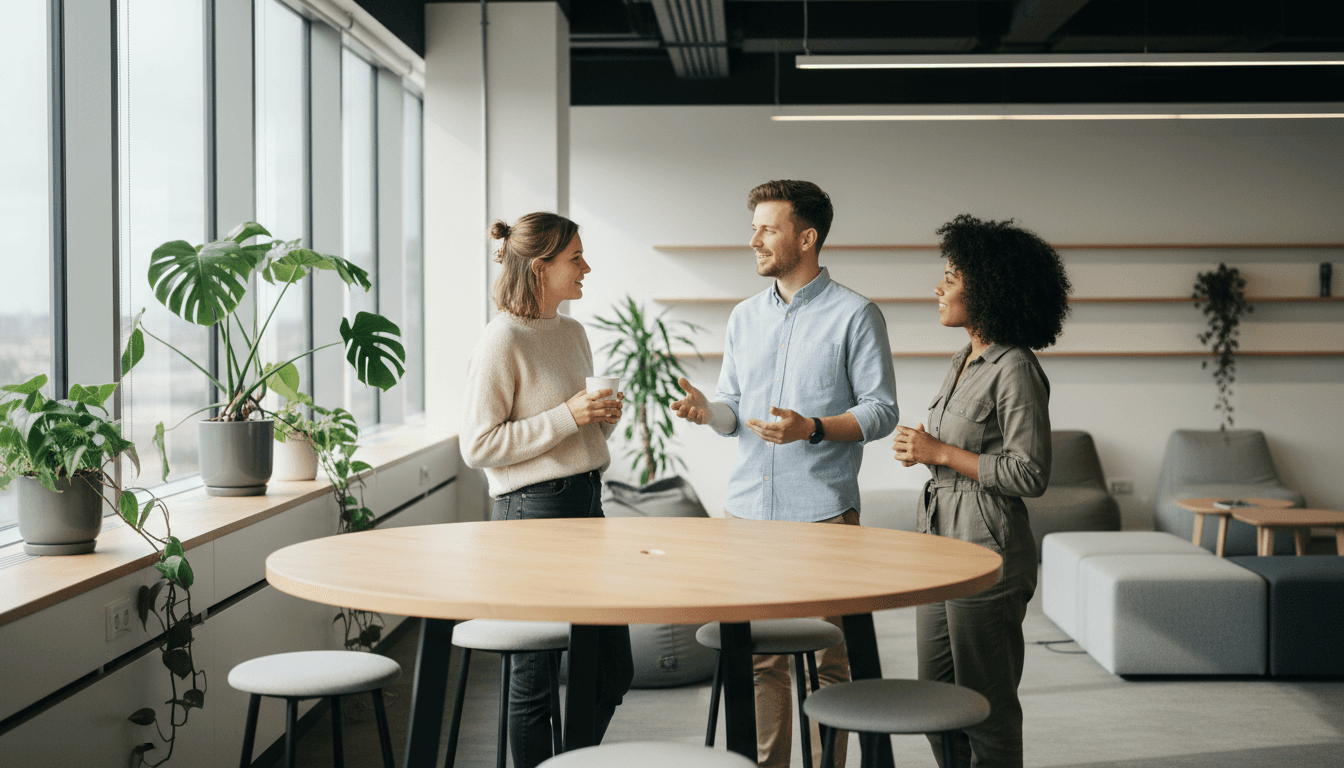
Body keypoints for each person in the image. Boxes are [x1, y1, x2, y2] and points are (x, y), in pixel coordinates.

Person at [671, 180, 899, 768]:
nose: (754, 240)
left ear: (807, 237)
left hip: (822, 514)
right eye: (755, 228)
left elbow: (881, 411)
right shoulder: (744, 318)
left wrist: (814, 428)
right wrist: (708, 412)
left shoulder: (856, 314)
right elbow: (732, 409)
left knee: (829, 661)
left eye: (767, 228)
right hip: (746, 514)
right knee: (759, 659)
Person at [893, 213, 1072, 768]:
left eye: (952, 275)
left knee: (986, 709)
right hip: (939, 543)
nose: (939, 287)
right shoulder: (962, 360)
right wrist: (922, 449)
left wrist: (940, 453)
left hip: (988, 545)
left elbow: (1029, 473)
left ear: (991, 287)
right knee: (936, 699)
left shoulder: (1015, 366)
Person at [460, 212, 634, 768]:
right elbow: (479, 445)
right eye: (575, 258)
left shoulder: (572, 332)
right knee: (533, 675)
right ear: (541, 268)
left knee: (612, 667)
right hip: (530, 514)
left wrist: (600, 417)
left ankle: (571, 761)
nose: (587, 267)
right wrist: (567, 415)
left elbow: (575, 431)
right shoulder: (501, 338)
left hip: (586, 503)